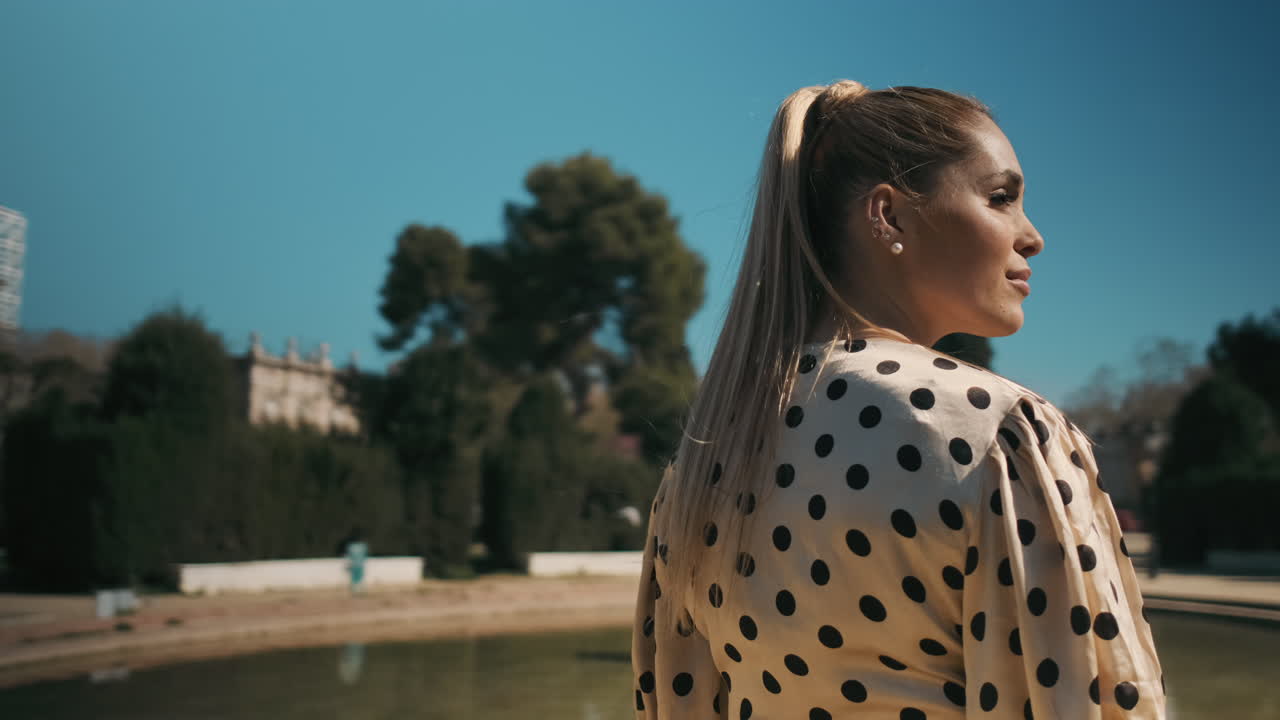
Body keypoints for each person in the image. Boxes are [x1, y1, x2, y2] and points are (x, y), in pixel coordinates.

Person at [631, 81, 1166, 719]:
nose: (1032, 236)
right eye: (1001, 198)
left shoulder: (706, 459)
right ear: (889, 216)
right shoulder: (997, 436)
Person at [343, 527, 369, 596]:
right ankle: (357, 591)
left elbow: (348, 556)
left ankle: (356, 591)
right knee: (358, 579)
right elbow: (364, 555)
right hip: (358, 565)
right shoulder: (362, 546)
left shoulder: (351, 546)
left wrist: (347, 564)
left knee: (356, 579)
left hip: (355, 565)